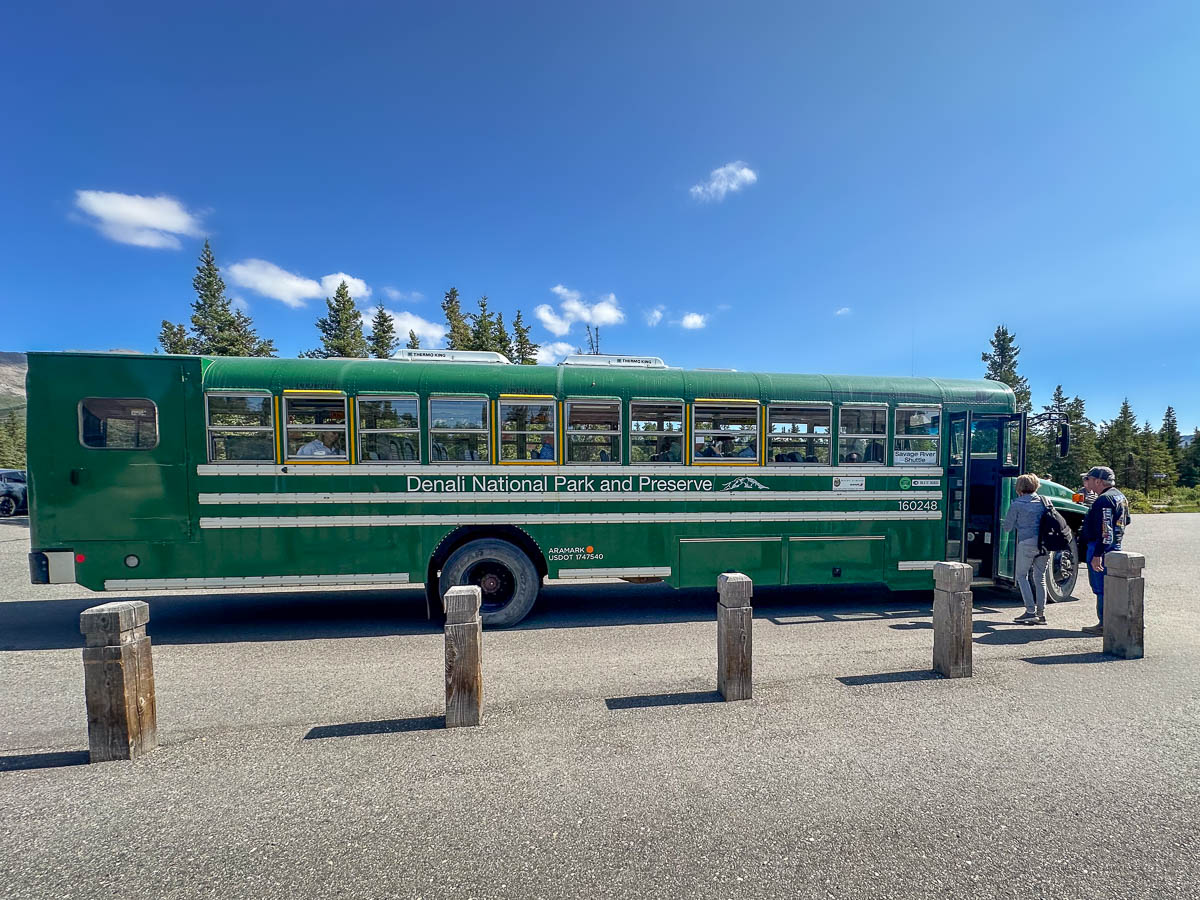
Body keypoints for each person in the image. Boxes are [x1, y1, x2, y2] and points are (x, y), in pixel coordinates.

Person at [1078, 466, 1131, 635]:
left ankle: (1104, 623)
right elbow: (1127, 520)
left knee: (1101, 588)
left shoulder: (1104, 500)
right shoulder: (1120, 496)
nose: (1086, 482)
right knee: (1113, 586)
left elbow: (1105, 530)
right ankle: (1116, 621)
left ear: (1098, 481)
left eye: (1088, 479)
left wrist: (1097, 554)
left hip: (1101, 548)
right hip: (1115, 547)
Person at [1001, 473, 1049, 624]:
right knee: (1040, 577)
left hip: (1027, 543)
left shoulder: (1017, 504)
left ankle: (1030, 611)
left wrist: (1015, 524)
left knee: (1021, 576)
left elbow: (1007, 528)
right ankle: (1041, 614)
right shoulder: (1045, 500)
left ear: (1019, 488)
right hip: (1045, 544)